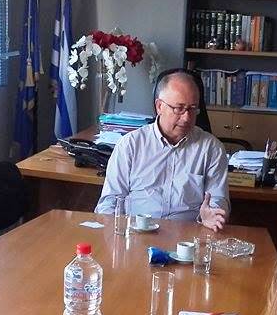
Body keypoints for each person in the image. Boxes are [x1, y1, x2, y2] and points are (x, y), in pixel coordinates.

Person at [94, 71, 229, 231]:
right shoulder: (131, 145)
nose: (186, 117)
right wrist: (114, 234)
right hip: (136, 234)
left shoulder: (211, 148)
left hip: (188, 236)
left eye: (192, 109)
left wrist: (212, 214)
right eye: (179, 108)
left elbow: (217, 198)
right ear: (159, 106)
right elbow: (110, 201)